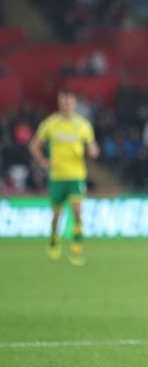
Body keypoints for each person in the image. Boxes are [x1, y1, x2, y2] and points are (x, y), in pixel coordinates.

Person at [29, 90, 99, 265]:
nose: (66, 105)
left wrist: (93, 151)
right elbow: (34, 145)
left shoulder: (83, 125)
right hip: (57, 176)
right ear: (59, 103)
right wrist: (43, 161)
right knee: (56, 215)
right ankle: (54, 237)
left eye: (69, 102)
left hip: (76, 175)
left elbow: (92, 146)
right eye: (63, 102)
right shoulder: (50, 124)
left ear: (74, 104)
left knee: (77, 212)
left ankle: (76, 249)